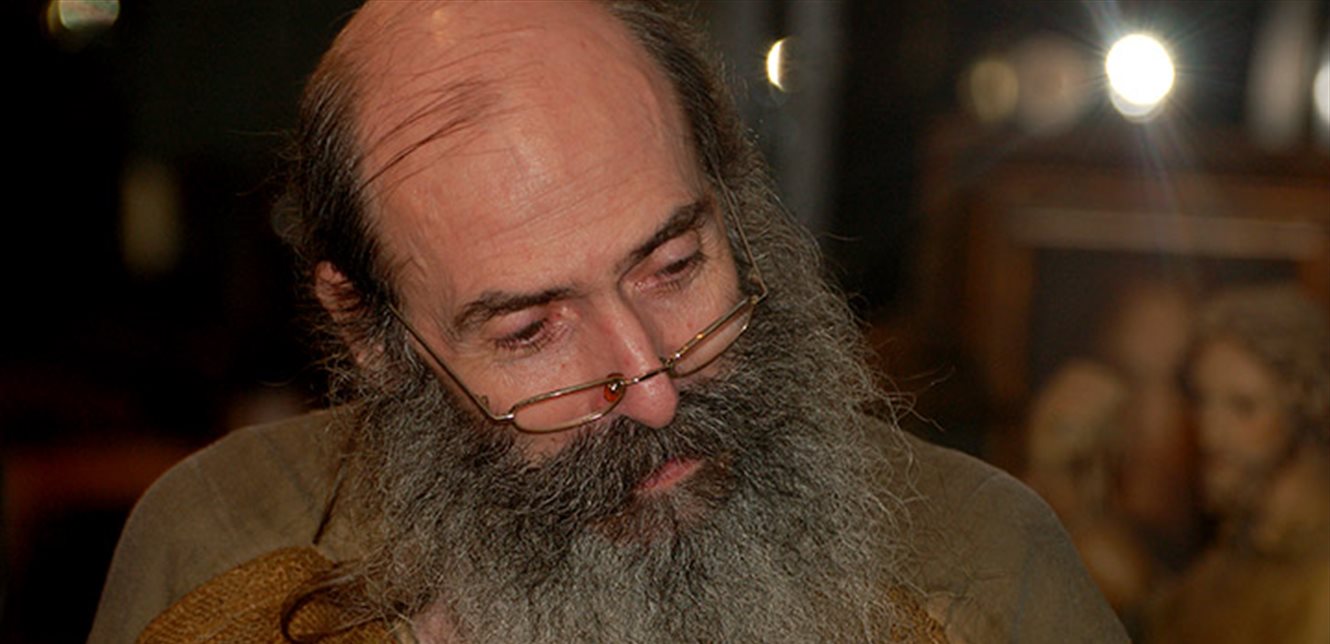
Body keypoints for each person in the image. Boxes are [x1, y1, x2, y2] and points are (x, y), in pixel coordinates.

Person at [90, 2, 1124, 641]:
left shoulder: (982, 570)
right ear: (371, 334)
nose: (655, 385)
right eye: (530, 332)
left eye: (674, 267)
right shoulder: (219, 555)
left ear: (734, 207)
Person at [1148, 284, 1330, 643]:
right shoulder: (1221, 566)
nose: (1210, 435)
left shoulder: (1321, 581)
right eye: (1202, 401)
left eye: (1243, 406)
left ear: (1308, 410)